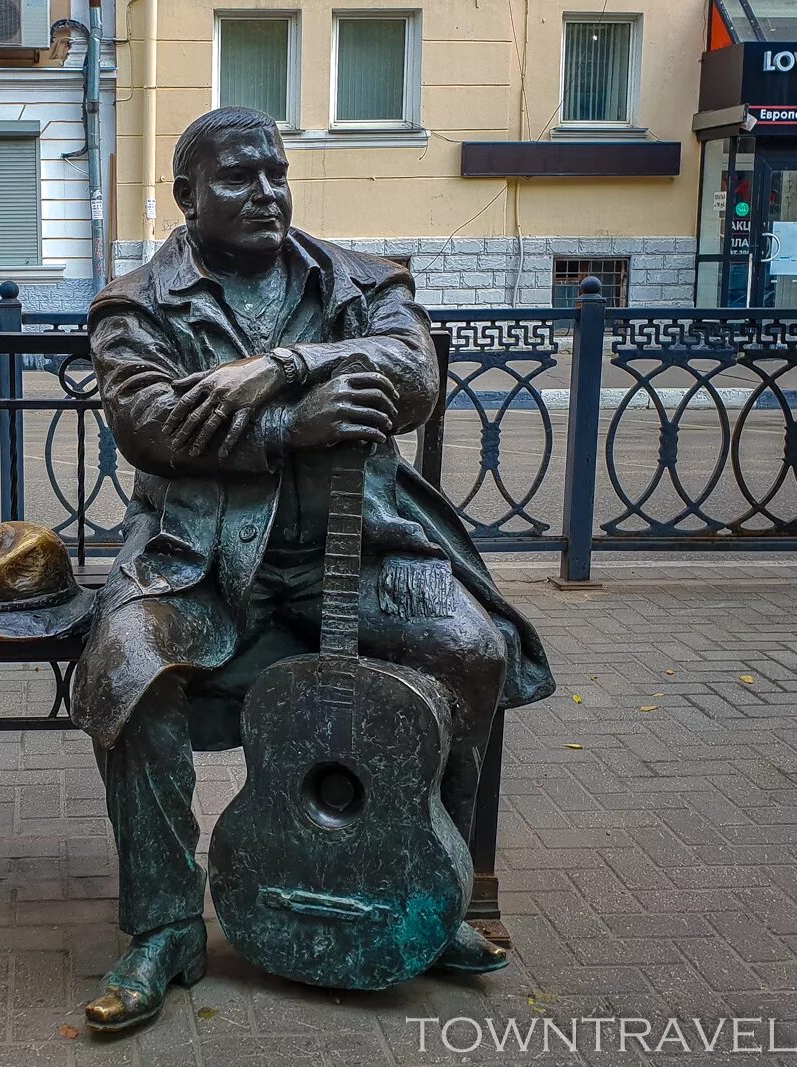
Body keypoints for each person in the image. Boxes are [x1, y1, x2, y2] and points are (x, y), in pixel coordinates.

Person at [71, 106, 556, 1032]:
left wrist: (278, 365)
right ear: (187, 197)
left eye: (275, 174)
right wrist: (299, 422)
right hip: (200, 562)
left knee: (471, 649)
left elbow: (412, 373)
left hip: (359, 546)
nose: (264, 193)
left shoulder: (355, 280)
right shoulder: (136, 305)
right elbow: (154, 423)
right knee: (130, 667)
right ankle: (166, 926)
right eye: (236, 178)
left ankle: (430, 890)